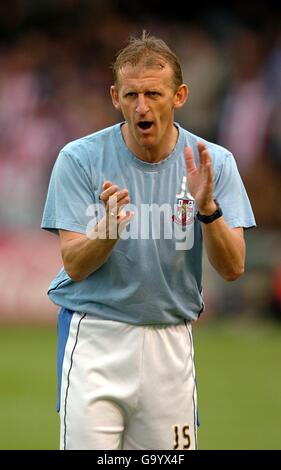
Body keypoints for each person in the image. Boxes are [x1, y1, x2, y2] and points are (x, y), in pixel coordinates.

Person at [41, 32, 256, 450]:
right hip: (96, 338)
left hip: (170, 341)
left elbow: (233, 268)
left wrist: (207, 208)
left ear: (179, 96)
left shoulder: (213, 162)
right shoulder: (79, 159)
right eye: (131, 94)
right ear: (114, 97)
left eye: (153, 94)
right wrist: (107, 230)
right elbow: (75, 265)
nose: (142, 106)